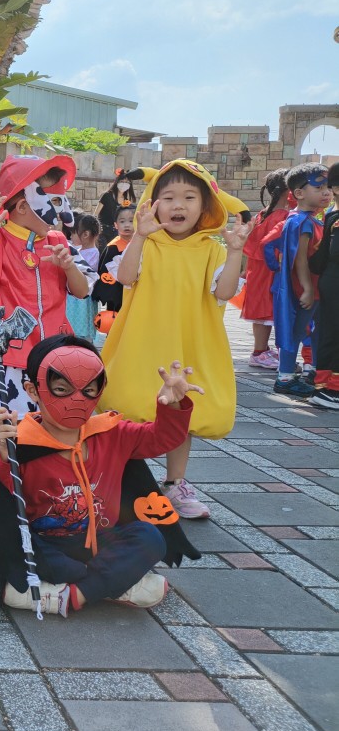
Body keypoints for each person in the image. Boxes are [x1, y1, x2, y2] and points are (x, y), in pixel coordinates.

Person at [0, 335, 201, 616]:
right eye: (61, 389)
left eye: (88, 390)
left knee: (151, 538)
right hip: (45, 544)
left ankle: (73, 595)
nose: (76, 400)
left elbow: (162, 439)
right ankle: (111, 583)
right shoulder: (19, 440)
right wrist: (3, 455)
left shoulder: (112, 433)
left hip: (100, 540)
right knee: (16, 548)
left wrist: (173, 405)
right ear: (33, 390)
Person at [100, 160, 251, 519]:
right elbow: (125, 277)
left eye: (189, 197)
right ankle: (118, 479)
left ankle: (175, 483)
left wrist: (235, 252)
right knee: (128, 405)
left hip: (189, 346)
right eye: (168, 197)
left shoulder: (212, 250)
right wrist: (139, 236)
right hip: (141, 342)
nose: (178, 205)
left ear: (206, 205)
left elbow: (225, 291)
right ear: (153, 203)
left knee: (181, 413)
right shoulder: (147, 244)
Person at [0, 155, 94, 420]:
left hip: (57, 355)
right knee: (10, 428)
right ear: (21, 206)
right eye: (54, 201)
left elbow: (82, 290)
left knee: (56, 424)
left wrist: (68, 266)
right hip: (11, 358)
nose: (61, 213)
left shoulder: (59, 243)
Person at [269, 164, 333, 398]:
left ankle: (312, 370)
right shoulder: (300, 222)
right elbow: (299, 259)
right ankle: (285, 377)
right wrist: (306, 288)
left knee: (312, 330)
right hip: (301, 289)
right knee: (295, 331)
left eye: (328, 188)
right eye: (319, 188)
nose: (326, 193)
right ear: (299, 193)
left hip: (312, 288)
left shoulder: (310, 219)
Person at [240, 169, 291, 370]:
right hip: (271, 269)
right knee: (268, 311)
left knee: (262, 312)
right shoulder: (283, 216)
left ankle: (261, 350)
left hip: (258, 269)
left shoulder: (263, 214)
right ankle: (260, 352)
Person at [308, 164, 339, 409]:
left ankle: (323, 385)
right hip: (335, 281)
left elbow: (318, 261)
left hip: (330, 281)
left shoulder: (331, 217)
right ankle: (333, 390)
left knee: (330, 332)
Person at [91, 205, 135, 322]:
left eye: (131, 221)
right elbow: (105, 274)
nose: (127, 225)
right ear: (116, 225)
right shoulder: (113, 247)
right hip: (117, 295)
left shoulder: (143, 245)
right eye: (122, 221)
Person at [65, 214, 101, 341]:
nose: (71, 236)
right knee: (71, 325)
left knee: (82, 328)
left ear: (85, 234)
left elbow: (86, 272)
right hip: (72, 297)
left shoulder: (93, 253)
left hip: (84, 298)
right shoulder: (77, 250)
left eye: (73, 233)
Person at [95, 168, 143, 247]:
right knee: (103, 251)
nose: (124, 184)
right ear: (117, 182)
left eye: (127, 182)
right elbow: (95, 214)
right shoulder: (107, 196)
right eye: (122, 181)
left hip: (116, 232)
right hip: (103, 231)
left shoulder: (126, 201)